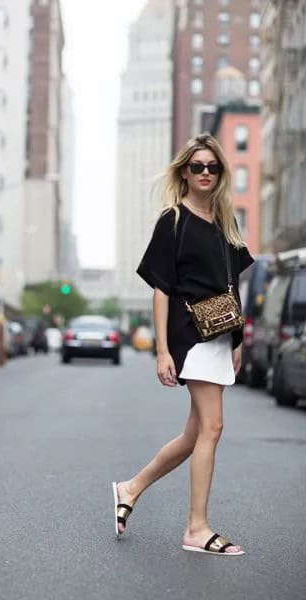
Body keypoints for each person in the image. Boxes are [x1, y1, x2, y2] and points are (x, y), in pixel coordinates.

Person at [112, 133, 254, 556]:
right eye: (198, 167)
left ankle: (130, 488)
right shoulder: (173, 219)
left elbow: (233, 286)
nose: (206, 173)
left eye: (213, 167)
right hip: (190, 336)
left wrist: (238, 339)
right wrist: (161, 350)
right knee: (213, 427)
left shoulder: (225, 222)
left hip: (220, 336)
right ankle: (196, 528)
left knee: (194, 435)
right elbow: (161, 288)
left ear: (221, 173)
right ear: (184, 173)